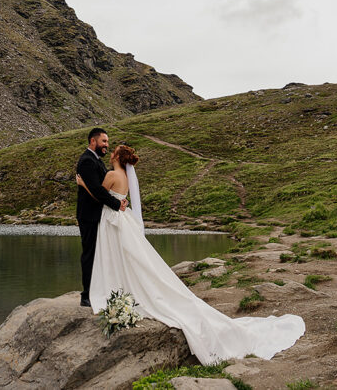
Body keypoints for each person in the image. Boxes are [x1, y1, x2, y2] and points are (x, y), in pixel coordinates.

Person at [77, 144, 305, 365]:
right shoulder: (125, 178)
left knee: (117, 257)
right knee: (131, 258)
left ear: (117, 157)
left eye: (113, 151)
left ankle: (118, 288)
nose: (111, 153)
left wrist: (83, 183)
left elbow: (98, 195)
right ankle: (127, 288)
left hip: (112, 221)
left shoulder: (111, 175)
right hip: (122, 220)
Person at [75, 127, 127, 308]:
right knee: (89, 253)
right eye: (104, 141)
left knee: (101, 253)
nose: (107, 145)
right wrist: (116, 204)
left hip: (100, 215)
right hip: (89, 216)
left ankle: (100, 289)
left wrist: (119, 201)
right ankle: (86, 295)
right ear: (93, 141)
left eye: (107, 142)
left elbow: (103, 189)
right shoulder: (87, 161)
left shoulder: (96, 160)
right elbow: (96, 190)